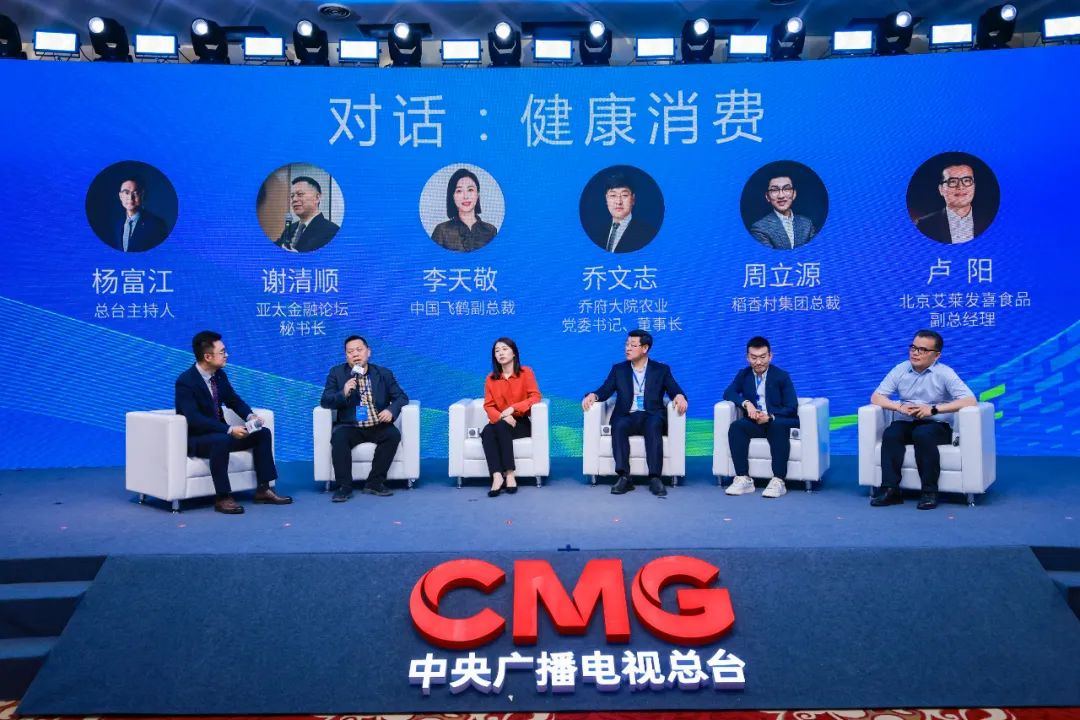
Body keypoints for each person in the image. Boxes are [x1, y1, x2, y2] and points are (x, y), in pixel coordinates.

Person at [175, 331, 292, 514]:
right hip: (198, 439)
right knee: (221, 440)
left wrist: (250, 416)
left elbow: (233, 400)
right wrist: (229, 429)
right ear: (207, 356)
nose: (226, 355)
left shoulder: (219, 375)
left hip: (221, 434)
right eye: (222, 352)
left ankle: (264, 489)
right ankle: (223, 497)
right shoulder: (186, 381)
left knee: (262, 433)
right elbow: (194, 419)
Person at [870, 330, 976, 510]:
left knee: (923, 434)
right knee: (891, 434)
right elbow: (876, 397)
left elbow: (970, 400)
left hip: (937, 425)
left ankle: (929, 492)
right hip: (907, 421)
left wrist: (933, 410)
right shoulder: (901, 369)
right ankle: (890, 490)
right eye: (913, 347)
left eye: (923, 350)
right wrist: (899, 407)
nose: (915, 353)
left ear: (936, 355)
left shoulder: (945, 373)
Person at [582, 330, 687, 496]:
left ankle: (655, 478)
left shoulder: (661, 370)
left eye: (633, 345)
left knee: (654, 425)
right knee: (618, 425)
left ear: (645, 348)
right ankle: (624, 477)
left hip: (651, 415)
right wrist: (594, 395)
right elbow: (606, 389)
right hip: (627, 415)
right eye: (626, 344)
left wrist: (680, 396)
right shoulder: (619, 369)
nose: (627, 348)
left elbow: (674, 389)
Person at [320, 335, 409, 502]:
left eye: (359, 350)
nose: (355, 354)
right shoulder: (337, 373)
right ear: (346, 356)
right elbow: (325, 401)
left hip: (377, 424)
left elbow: (402, 398)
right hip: (350, 426)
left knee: (393, 435)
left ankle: (374, 483)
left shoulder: (383, 373)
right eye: (350, 352)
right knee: (338, 438)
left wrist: (391, 410)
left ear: (368, 352)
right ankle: (344, 487)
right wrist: (343, 392)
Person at [722, 337, 800, 499]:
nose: (758, 362)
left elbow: (792, 407)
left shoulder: (782, 376)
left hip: (777, 421)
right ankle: (743, 478)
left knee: (777, 425)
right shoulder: (743, 374)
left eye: (763, 357)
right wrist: (746, 404)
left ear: (770, 356)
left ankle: (778, 480)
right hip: (756, 422)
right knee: (737, 427)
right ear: (747, 357)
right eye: (754, 357)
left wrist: (770, 417)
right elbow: (729, 392)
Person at [481, 337, 542, 497]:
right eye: (497, 351)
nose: (501, 353)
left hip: (520, 423)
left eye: (504, 349)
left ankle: (509, 474)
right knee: (488, 431)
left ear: (514, 353)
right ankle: (497, 476)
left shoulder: (526, 372)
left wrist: (514, 408)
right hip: (500, 421)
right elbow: (488, 406)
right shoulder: (490, 379)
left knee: (495, 428)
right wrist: (502, 417)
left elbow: (535, 397)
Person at [915, 164, 992, 244]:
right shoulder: (924, 226)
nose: (960, 187)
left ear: (974, 186)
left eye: (966, 180)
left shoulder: (990, 222)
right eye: (952, 182)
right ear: (941, 190)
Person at [587, 174, 658, 253]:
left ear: (633, 199)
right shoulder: (597, 232)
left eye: (624, 195)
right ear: (606, 199)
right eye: (613, 195)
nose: (618, 202)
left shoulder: (647, 234)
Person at [431, 168, 498, 252]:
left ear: (478, 194)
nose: (465, 196)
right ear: (452, 196)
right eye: (459, 191)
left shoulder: (491, 231)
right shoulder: (442, 231)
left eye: (470, 190)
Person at [749, 175, 816, 250]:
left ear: (794, 194)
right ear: (767, 197)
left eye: (786, 189)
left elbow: (815, 252)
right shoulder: (760, 228)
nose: (781, 196)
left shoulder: (807, 224)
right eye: (774, 190)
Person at [276, 176, 340, 252]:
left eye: (300, 194)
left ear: (317, 198)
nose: (294, 199)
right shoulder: (289, 228)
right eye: (292, 196)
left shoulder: (332, 231)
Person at [110, 177, 168, 252]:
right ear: (120, 196)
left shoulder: (157, 224)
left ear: (142, 195)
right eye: (126, 193)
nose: (130, 198)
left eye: (135, 193)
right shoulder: (118, 224)